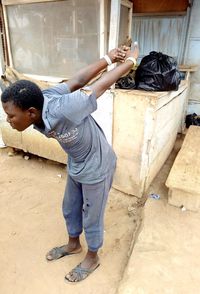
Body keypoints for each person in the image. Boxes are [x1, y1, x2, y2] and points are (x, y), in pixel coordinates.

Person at [1, 45, 139, 283]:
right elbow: (77, 79)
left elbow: (99, 86)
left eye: (11, 115)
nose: (8, 120)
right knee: (70, 206)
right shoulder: (45, 98)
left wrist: (129, 62)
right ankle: (73, 245)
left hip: (97, 165)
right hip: (77, 162)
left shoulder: (64, 109)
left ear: (31, 113)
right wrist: (108, 57)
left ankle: (92, 257)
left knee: (91, 215)